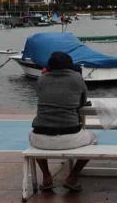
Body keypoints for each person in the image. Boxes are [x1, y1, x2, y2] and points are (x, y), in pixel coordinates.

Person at [29, 51, 97, 192]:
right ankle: (72, 177)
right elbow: (82, 102)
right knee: (94, 140)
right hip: (69, 136)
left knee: (33, 140)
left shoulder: (41, 79)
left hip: (40, 136)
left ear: (50, 66)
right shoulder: (77, 78)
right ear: (70, 64)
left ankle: (47, 176)